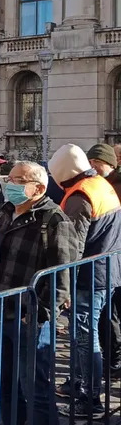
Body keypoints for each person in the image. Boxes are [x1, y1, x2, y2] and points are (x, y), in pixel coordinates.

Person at [0, 161, 77, 425]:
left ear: (38, 188)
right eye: (9, 178)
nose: (9, 183)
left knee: (36, 391)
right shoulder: (3, 213)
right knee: (5, 389)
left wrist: (39, 314)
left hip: (29, 320)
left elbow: (62, 277)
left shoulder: (55, 221)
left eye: (18, 180)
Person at [49, 144, 121, 418]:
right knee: (86, 334)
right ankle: (77, 385)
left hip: (90, 277)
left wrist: (64, 287)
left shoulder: (80, 196)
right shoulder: (99, 184)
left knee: (84, 337)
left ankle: (90, 398)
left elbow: (72, 247)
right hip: (106, 271)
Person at [87, 143, 121, 376]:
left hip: (109, 259)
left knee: (110, 314)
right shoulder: (104, 185)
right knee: (110, 313)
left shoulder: (111, 186)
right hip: (110, 259)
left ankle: (113, 359)